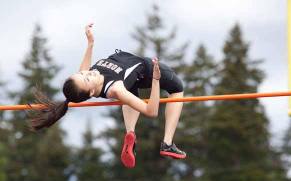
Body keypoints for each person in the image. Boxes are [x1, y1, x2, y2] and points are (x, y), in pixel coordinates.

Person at [29, 23, 186, 168]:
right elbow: (151, 111)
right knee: (177, 88)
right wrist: (156, 80)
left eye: (83, 73)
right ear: (91, 92)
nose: (88, 72)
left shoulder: (91, 81)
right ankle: (167, 142)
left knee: (129, 92)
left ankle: (130, 132)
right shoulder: (116, 88)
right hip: (148, 70)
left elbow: (82, 71)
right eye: (87, 77)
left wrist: (90, 44)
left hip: (131, 80)